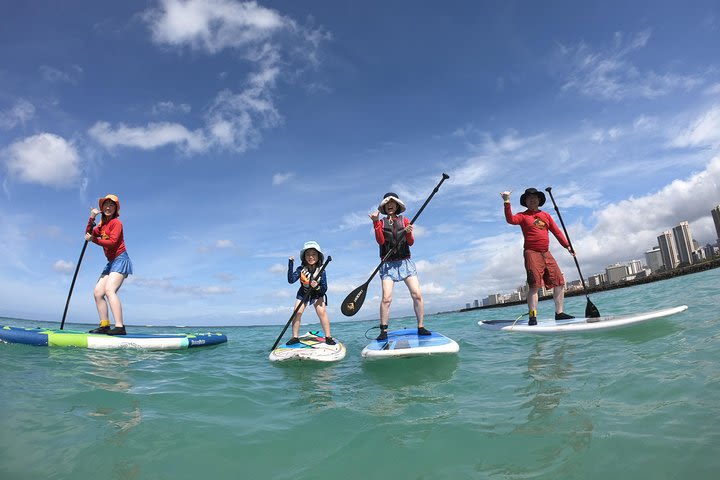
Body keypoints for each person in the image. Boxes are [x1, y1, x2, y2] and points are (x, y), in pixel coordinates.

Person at [502, 187, 575, 325]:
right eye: (529, 198)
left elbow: (557, 232)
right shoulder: (523, 216)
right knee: (534, 285)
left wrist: (567, 246)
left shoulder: (546, 215)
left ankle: (559, 313)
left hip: (546, 253)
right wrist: (507, 202)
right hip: (531, 252)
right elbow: (510, 219)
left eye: (535, 197)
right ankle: (533, 316)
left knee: (559, 281)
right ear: (526, 202)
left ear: (539, 200)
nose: (532, 199)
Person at [369, 192, 430, 341]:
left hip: (405, 263)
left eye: (393, 203)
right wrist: (376, 222)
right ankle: (384, 331)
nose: (390, 205)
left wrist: (409, 233)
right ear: (384, 207)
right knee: (386, 298)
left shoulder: (405, 220)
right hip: (388, 265)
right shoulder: (381, 222)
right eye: (387, 203)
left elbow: (410, 242)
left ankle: (420, 327)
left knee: (417, 294)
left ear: (397, 206)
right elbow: (381, 241)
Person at [85, 194, 133, 335]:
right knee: (98, 292)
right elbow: (88, 233)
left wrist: (94, 239)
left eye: (111, 205)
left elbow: (112, 242)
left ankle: (120, 327)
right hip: (110, 263)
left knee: (109, 290)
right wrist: (92, 218)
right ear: (102, 208)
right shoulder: (102, 225)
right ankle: (105, 325)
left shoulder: (116, 223)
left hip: (120, 259)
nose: (108, 207)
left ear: (115, 209)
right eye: (106, 204)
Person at [286, 241, 335, 346]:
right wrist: (290, 264)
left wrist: (316, 286)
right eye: (308, 254)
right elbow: (291, 280)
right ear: (304, 257)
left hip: (317, 293)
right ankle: (295, 337)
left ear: (318, 256)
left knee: (322, 312)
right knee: (297, 312)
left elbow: (324, 289)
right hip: (303, 293)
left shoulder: (322, 270)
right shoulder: (301, 269)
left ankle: (328, 337)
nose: (310, 257)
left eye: (313, 254)